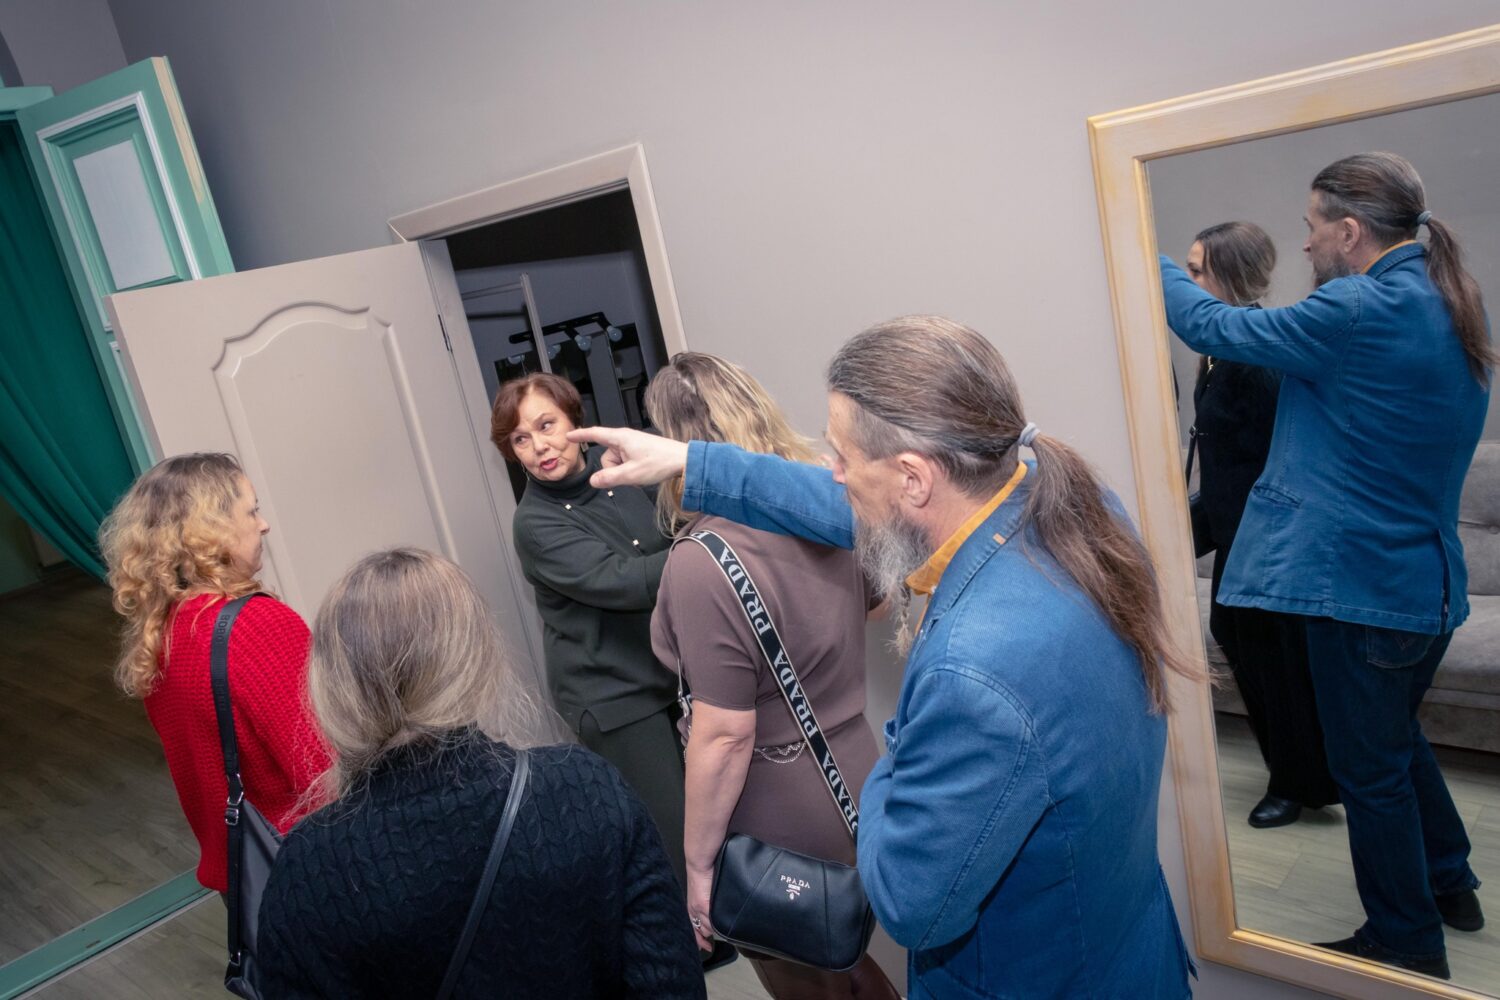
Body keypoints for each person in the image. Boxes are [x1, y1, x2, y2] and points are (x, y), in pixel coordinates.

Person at [571, 318, 1197, 999]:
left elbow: (909, 903)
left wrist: (893, 745)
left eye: (842, 457)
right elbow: (831, 505)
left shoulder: (971, 674)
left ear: (912, 478)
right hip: (1128, 950)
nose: (833, 475)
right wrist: (690, 462)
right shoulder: (1066, 502)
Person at [1160, 152, 1491, 979]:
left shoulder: (1357, 306)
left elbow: (1216, 328)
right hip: (1425, 588)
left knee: (1368, 774)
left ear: (1348, 231)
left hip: (1361, 591)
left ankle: (1405, 938)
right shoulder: (1446, 297)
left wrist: (1147, 262)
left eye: (1311, 227)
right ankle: (1451, 884)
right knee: (1396, 743)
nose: (1304, 244)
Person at [255, 548, 705, 998]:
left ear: (333, 686)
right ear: (476, 658)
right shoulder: (584, 790)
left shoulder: (308, 870)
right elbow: (671, 984)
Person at [644, 354, 900, 1000]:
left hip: (776, 805)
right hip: (857, 775)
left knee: (806, 981)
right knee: (844, 959)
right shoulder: (825, 511)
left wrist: (697, 867)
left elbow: (724, 734)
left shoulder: (701, 560)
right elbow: (878, 604)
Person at [99, 453, 329, 895]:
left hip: (245, 877)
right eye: (252, 511)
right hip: (308, 871)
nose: (264, 525)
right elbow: (322, 775)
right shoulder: (258, 625)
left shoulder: (161, 633)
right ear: (212, 529)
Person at [490, 373, 687, 887]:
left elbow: (674, 525)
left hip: (669, 674)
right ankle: (690, 934)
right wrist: (714, 543)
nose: (539, 447)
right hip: (614, 697)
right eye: (521, 439)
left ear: (574, 420)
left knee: (714, 820)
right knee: (675, 839)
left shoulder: (619, 466)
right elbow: (625, 581)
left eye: (546, 425)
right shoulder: (534, 524)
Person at [1184, 221, 1339, 828]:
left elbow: (1284, 459)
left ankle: (1298, 783)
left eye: (1196, 270)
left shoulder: (1257, 360)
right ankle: (1299, 774)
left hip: (1266, 542)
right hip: (1234, 531)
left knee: (1275, 663)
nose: (1189, 281)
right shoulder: (1219, 352)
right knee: (1245, 646)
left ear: (1227, 275)